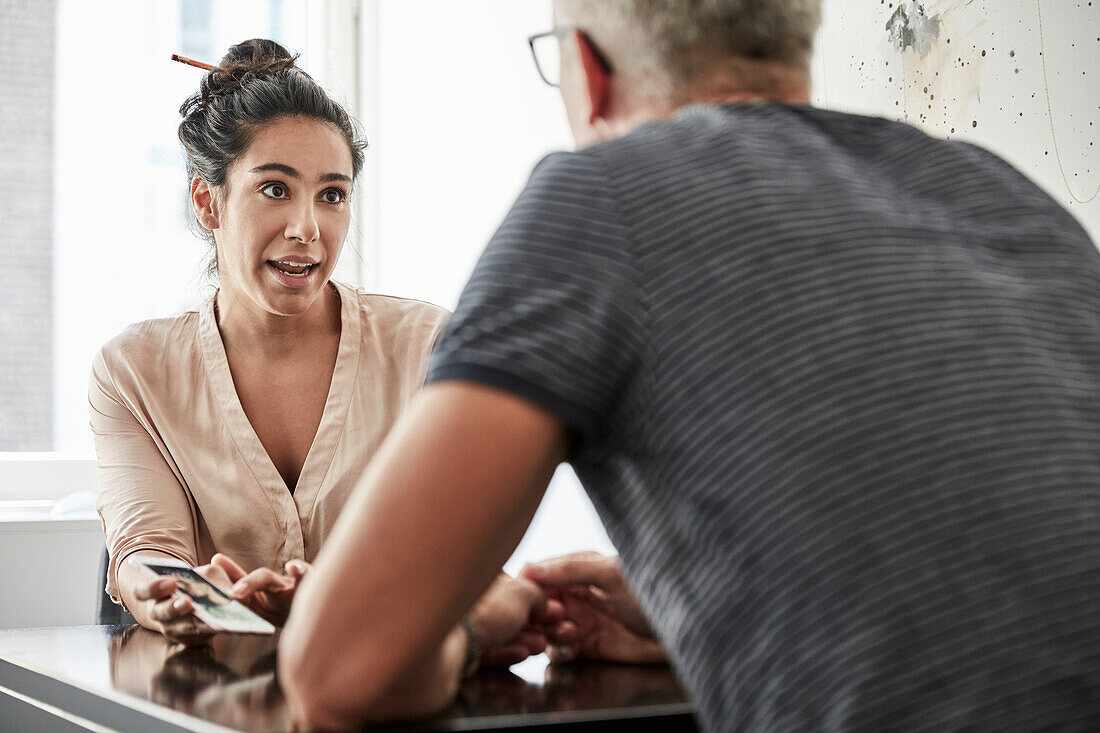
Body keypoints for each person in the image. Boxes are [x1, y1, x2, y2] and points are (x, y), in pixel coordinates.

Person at [277, 0, 1100, 730]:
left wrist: (467, 625)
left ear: (589, 73)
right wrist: (697, 611)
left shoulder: (599, 200)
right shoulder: (1007, 197)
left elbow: (336, 675)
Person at [91, 39, 547, 659]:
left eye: (332, 194)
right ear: (208, 201)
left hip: (385, 689)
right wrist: (165, 590)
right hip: (210, 699)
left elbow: (452, 556)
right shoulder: (133, 372)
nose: (307, 227)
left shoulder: (428, 349)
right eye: (275, 189)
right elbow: (147, 548)